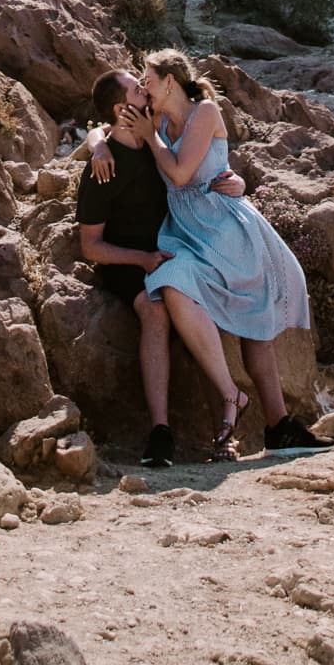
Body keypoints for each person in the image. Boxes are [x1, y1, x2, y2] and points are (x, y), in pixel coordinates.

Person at [92, 48, 334, 461]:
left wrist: (153, 138)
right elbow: (102, 125)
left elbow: (182, 173)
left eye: (148, 78)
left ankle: (279, 426)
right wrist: (98, 145)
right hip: (187, 235)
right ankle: (231, 398)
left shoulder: (204, 112)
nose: (143, 84)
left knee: (254, 329)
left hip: (225, 231)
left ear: (170, 81)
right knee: (172, 283)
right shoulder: (159, 117)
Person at [75, 66, 246, 469]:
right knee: (155, 310)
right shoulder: (104, 167)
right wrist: (143, 259)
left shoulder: (160, 138)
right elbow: (91, 247)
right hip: (126, 260)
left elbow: (201, 165)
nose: (147, 90)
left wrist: (235, 182)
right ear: (123, 109)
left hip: (172, 248)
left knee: (203, 297)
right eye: (139, 89)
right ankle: (160, 431)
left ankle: (228, 423)